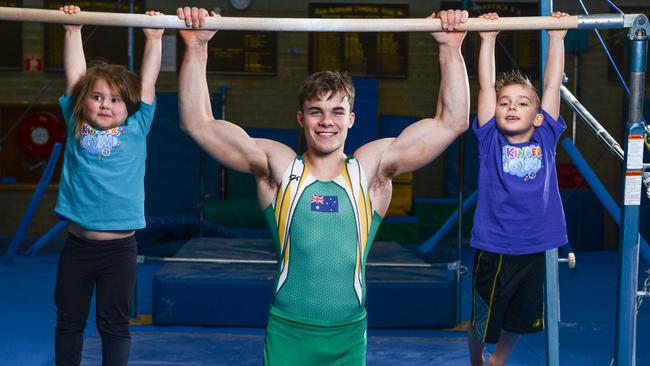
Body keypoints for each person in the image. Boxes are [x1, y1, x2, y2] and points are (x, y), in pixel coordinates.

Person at [176, 6, 469, 365]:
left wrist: (450, 48)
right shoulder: (280, 168)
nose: (326, 122)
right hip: (288, 334)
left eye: (337, 112)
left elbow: (451, 122)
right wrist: (196, 46)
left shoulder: (370, 171)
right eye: (316, 111)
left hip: (347, 338)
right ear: (301, 119)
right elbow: (199, 124)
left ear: (351, 119)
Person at [53, 5, 163, 366]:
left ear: (129, 107)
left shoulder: (137, 126)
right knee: (69, 322)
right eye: (97, 97)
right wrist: (72, 30)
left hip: (119, 251)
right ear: (84, 102)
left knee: (114, 325)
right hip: (77, 246)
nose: (105, 105)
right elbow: (76, 77)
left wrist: (154, 37)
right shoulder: (75, 122)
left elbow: (147, 84)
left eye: (115, 100)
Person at [468, 11, 570, 366]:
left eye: (523, 103)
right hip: (494, 243)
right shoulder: (488, 138)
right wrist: (488, 38)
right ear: (494, 111)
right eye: (505, 102)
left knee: (521, 316)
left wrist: (556, 38)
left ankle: (499, 360)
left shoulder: (547, 135)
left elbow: (552, 86)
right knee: (483, 316)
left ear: (538, 117)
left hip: (535, 244)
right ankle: (477, 358)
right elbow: (485, 86)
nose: (512, 106)